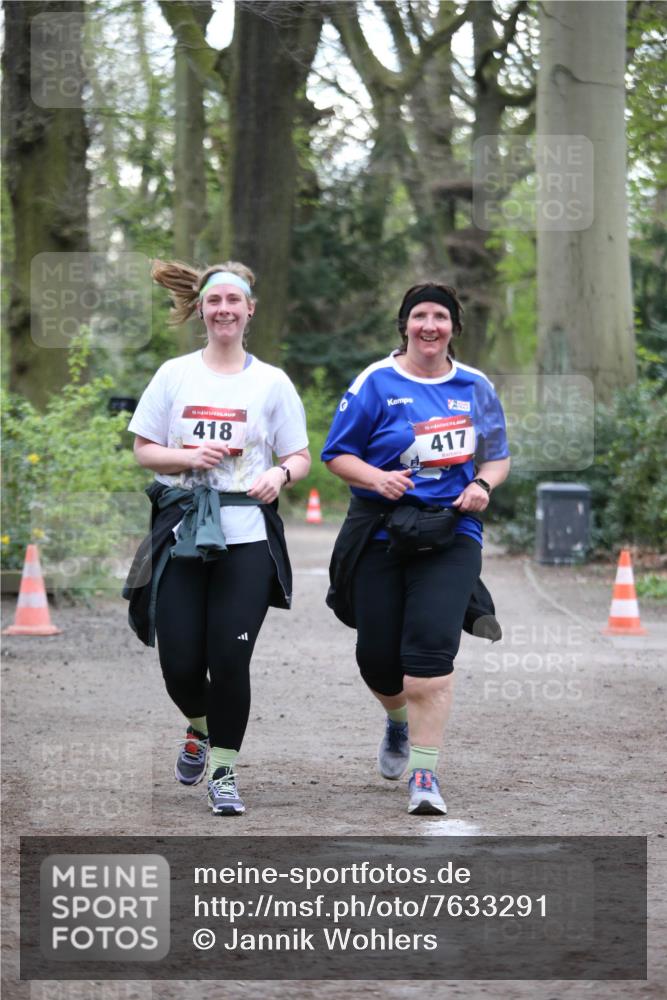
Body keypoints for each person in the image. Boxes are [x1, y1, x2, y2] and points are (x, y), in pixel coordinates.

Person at [124, 260, 310, 816]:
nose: (224, 309)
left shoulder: (271, 382)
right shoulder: (174, 375)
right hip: (183, 533)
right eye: (214, 301)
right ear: (201, 310)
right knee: (180, 663)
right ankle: (199, 727)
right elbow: (143, 449)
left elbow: (299, 455)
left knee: (229, 661)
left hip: (246, 537)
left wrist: (280, 474)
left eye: (234, 300)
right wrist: (186, 456)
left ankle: (224, 771)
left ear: (250, 309)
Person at [321, 282, 510, 815]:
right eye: (420, 316)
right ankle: (397, 722)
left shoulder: (475, 386)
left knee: (427, 657)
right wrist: (377, 479)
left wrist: (483, 486)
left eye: (441, 317)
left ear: (453, 327)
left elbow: (496, 457)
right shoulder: (375, 382)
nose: (431, 326)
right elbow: (337, 454)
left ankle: (424, 776)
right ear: (404, 325)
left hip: (451, 533)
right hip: (382, 530)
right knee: (378, 661)